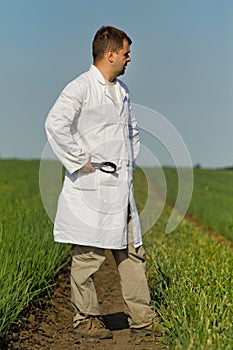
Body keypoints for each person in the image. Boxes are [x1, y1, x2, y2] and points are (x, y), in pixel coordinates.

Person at [45, 25, 158, 340]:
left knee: (132, 252)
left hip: (121, 189)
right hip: (91, 188)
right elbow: (55, 123)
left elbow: (132, 132)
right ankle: (86, 319)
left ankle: (142, 320)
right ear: (110, 54)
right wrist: (81, 159)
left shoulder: (122, 91)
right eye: (125, 53)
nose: (129, 58)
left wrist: (128, 165)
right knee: (88, 257)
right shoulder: (80, 87)